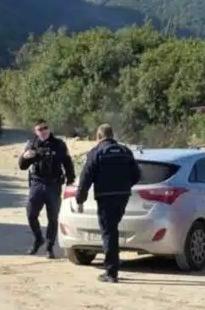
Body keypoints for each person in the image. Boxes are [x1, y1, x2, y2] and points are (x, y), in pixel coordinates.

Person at [74, 124, 141, 283]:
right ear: (112, 135)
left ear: (99, 136)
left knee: (109, 232)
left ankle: (111, 272)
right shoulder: (125, 151)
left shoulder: (96, 152)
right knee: (112, 230)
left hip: (105, 198)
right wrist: (124, 187)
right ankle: (113, 266)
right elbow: (136, 175)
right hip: (122, 197)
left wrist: (80, 199)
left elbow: (85, 178)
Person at [18, 119, 75, 258]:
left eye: (46, 128)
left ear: (49, 128)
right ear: (35, 131)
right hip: (37, 184)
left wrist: (70, 181)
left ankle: (49, 247)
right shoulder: (32, 145)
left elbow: (68, 163)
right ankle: (38, 238)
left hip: (53, 185)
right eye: (40, 129)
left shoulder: (59, 144)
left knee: (53, 217)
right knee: (31, 214)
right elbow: (22, 166)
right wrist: (25, 157)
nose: (44, 131)